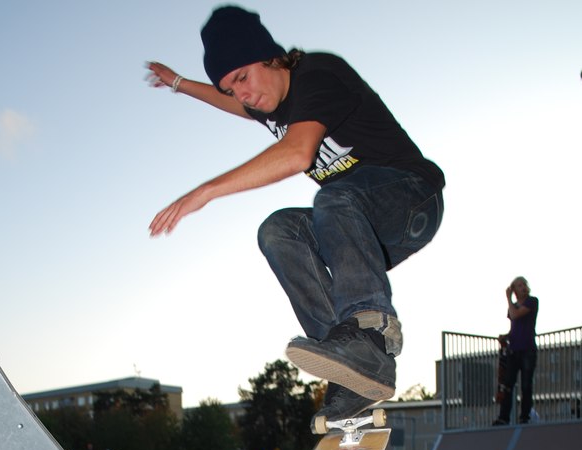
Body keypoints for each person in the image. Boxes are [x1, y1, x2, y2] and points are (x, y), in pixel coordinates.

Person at [146, 5, 445, 422]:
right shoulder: (266, 102)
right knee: (278, 230)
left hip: (413, 199)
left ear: (270, 57)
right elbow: (226, 100)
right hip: (365, 235)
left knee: (333, 198)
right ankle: (351, 367)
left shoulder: (318, 75)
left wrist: (206, 192)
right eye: (234, 88)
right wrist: (179, 83)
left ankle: (369, 333)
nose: (244, 96)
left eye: (244, 79)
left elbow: (297, 153)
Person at [494, 277, 539, 425]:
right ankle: (504, 417)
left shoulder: (532, 301)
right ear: (515, 290)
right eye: (519, 286)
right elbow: (515, 326)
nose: (523, 287)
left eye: (524, 284)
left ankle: (524, 416)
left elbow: (516, 315)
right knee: (507, 384)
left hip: (528, 350)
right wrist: (506, 336)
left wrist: (507, 298)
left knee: (526, 385)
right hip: (514, 350)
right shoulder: (513, 307)